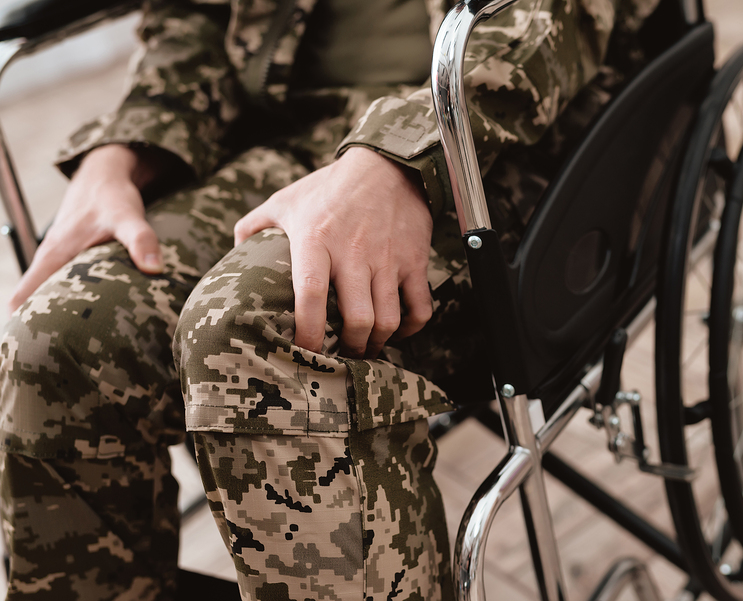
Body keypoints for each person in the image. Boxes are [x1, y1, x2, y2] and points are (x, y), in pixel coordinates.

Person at [0, 0, 659, 598]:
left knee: (263, 326)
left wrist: (403, 154)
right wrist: (123, 147)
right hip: (292, 131)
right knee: (60, 340)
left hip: (505, 147)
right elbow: (197, 15)